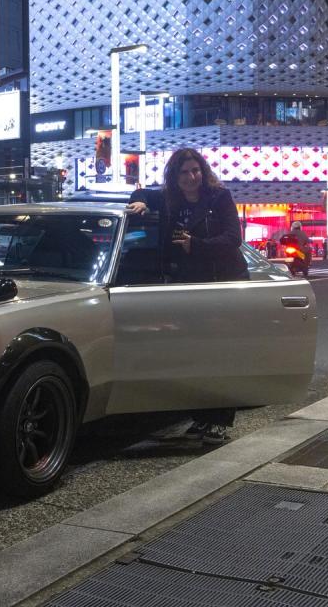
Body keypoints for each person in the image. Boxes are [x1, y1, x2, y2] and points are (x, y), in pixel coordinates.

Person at [126, 147, 248, 444]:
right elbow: (140, 195)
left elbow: (234, 238)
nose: (191, 177)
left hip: (222, 281)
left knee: (220, 353)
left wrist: (198, 245)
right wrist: (139, 201)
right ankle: (200, 418)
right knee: (195, 353)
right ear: (175, 175)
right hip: (188, 283)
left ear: (202, 171)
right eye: (184, 172)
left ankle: (218, 421)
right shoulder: (168, 198)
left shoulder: (219, 197)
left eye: (195, 171)